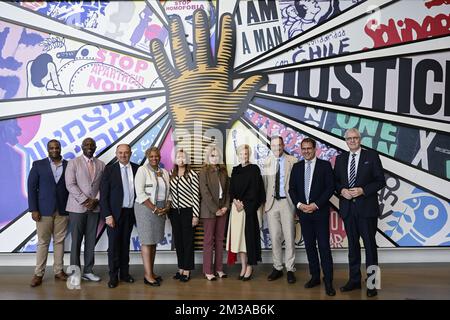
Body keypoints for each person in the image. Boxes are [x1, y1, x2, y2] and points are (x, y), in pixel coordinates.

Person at [334, 128, 386, 297]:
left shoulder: (371, 156)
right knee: (353, 247)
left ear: (360, 139)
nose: (352, 141)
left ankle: (372, 283)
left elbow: (380, 181)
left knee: (370, 247)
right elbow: (335, 182)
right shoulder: (341, 159)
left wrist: (363, 190)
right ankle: (354, 280)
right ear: (346, 140)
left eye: (355, 138)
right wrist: (342, 190)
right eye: (349, 138)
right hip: (348, 210)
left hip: (367, 210)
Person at [289, 137, 336, 296]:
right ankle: (315, 276)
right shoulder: (296, 167)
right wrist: (300, 206)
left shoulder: (325, 165)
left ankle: (328, 281)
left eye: (309, 148)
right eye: (304, 148)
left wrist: (315, 205)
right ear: (301, 150)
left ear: (315, 149)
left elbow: (330, 188)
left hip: (320, 212)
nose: (306, 151)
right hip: (304, 214)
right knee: (309, 247)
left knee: (324, 247)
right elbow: (292, 189)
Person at [27, 139, 69, 287]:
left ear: (60, 149)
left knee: (59, 241)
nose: (54, 150)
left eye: (57, 147)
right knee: (43, 242)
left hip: (63, 210)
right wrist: (33, 209)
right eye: (51, 148)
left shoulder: (68, 165)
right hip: (43, 210)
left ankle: (58, 271)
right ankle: (38, 274)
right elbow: (31, 188)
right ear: (47, 149)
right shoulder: (38, 165)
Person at [65, 137, 105, 282]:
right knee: (76, 241)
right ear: (82, 147)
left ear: (95, 147)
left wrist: (96, 200)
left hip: (94, 208)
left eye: (92, 145)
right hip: (77, 208)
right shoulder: (73, 163)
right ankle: (75, 273)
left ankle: (88, 271)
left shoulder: (101, 164)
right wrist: (85, 200)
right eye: (86, 144)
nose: (89, 146)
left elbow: (103, 185)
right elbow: (70, 184)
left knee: (90, 240)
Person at [100, 144, 138, 288]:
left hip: (130, 213)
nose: (123, 155)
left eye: (126, 153)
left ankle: (125, 274)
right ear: (116, 154)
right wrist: (108, 215)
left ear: (131, 153)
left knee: (125, 245)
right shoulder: (109, 170)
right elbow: (104, 196)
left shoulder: (137, 169)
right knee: (114, 246)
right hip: (114, 215)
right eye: (120, 153)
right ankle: (113, 276)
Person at [262, 136, 298, 284]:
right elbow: (265, 184)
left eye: (279, 145)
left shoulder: (293, 161)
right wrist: (266, 204)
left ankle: (290, 269)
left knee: (289, 237)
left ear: (283, 145)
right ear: (271, 146)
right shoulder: (267, 162)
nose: (277, 148)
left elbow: (296, 183)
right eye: (274, 145)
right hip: (272, 204)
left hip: (287, 203)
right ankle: (277, 267)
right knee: (275, 237)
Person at [227, 144, 265, 281]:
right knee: (239, 241)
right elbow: (231, 189)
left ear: (249, 154)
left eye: (246, 153)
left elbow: (256, 191)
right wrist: (236, 202)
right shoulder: (235, 170)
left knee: (248, 239)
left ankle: (250, 265)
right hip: (236, 210)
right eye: (241, 153)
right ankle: (243, 265)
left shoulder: (254, 169)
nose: (244, 156)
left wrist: (244, 205)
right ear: (238, 154)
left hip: (248, 210)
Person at [134, 146, 171, 287]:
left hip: (161, 208)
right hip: (145, 208)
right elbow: (140, 193)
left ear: (160, 157)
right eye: (151, 157)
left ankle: (152, 272)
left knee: (154, 241)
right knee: (147, 241)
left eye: (156, 156)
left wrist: (167, 206)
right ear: (148, 157)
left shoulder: (164, 172)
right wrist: (155, 209)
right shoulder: (142, 171)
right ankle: (147, 275)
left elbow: (169, 192)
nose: (154, 159)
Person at [168, 149, 200, 282]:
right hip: (175, 212)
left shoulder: (192, 174)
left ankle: (187, 269)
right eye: (178, 157)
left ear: (186, 160)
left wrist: (195, 215)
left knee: (188, 242)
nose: (180, 159)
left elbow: (196, 195)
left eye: (183, 157)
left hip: (188, 211)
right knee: (179, 241)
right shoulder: (171, 174)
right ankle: (180, 267)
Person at [199, 145, 230, 281]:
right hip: (209, 211)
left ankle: (219, 268)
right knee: (208, 241)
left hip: (222, 210)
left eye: (216, 155)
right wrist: (215, 209)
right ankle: (208, 270)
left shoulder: (223, 171)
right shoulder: (203, 172)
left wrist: (225, 207)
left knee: (219, 240)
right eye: (212, 155)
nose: (214, 158)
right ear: (207, 157)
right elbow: (204, 193)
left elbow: (228, 191)